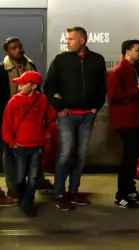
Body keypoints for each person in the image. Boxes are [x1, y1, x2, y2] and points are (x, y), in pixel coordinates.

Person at [43, 27, 106, 211]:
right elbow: (48, 86)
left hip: (87, 116)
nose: (67, 42)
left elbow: (102, 86)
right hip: (67, 116)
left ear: (82, 40)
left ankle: (74, 191)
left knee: (80, 155)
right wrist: (59, 107)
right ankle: (60, 194)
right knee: (65, 154)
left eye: (71, 39)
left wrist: (96, 107)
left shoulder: (97, 60)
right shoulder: (61, 60)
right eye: (67, 39)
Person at [1, 37, 54, 200]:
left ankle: (37, 180)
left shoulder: (30, 65)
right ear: (7, 51)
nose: (18, 50)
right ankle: (13, 188)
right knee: (9, 154)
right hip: (10, 116)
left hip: (31, 117)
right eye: (13, 48)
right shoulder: (2, 70)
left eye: (19, 46)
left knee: (34, 152)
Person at [2, 71, 56, 217]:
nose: (18, 86)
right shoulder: (13, 101)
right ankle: (22, 196)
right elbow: (6, 124)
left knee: (32, 177)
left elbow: (50, 117)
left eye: (22, 84)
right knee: (19, 177)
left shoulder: (42, 100)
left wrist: (55, 102)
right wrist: (11, 141)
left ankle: (28, 202)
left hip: (36, 146)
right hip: (20, 146)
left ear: (33, 86)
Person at [106, 39, 139, 209]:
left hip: (137, 119)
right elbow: (114, 97)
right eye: (137, 50)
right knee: (127, 158)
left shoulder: (138, 69)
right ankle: (121, 195)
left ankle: (130, 189)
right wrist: (137, 91)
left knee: (133, 157)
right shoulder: (116, 72)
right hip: (125, 121)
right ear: (127, 52)